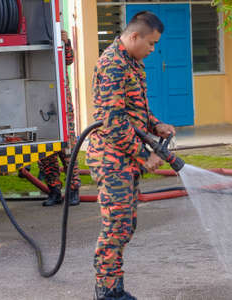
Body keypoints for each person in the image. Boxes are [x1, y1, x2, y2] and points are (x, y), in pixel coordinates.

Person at [86, 11, 176, 300]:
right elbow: (113, 120)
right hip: (111, 159)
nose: (152, 50)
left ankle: (114, 287)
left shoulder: (132, 63)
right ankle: (108, 292)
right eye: (151, 44)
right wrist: (143, 155)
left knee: (126, 225)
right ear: (134, 36)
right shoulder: (112, 64)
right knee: (116, 225)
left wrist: (155, 124)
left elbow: (135, 108)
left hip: (124, 157)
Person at [38, 29, 81, 206]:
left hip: (62, 104)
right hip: (40, 103)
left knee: (68, 150)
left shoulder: (60, 39)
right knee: (46, 150)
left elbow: (68, 60)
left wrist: (67, 42)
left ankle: (73, 191)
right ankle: (54, 191)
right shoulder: (37, 41)